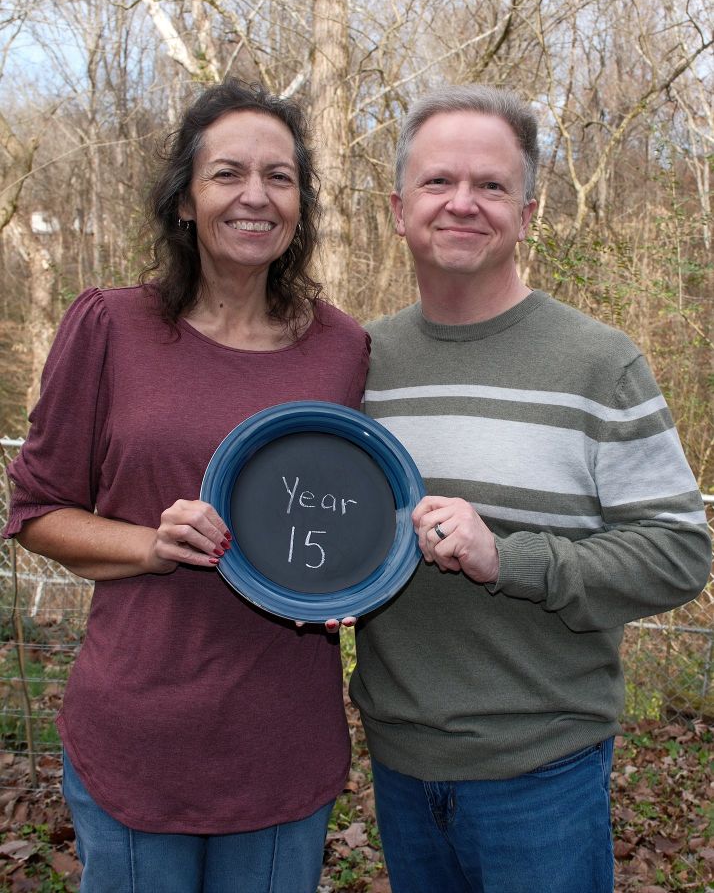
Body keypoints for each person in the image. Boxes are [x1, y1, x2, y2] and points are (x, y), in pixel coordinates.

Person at [3, 79, 370, 893]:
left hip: (283, 741)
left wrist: (356, 575)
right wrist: (149, 543)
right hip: (139, 738)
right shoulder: (109, 325)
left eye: (281, 177)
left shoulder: (342, 347)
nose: (256, 196)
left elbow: (349, 514)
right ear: (184, 201)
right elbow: (35, 512)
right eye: (228, 173)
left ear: (301, 204)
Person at [349, 84, 712, 893]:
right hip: (401, 762)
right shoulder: (355, 362)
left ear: (530, 209)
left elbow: (681, 551)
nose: (463, 204)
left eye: (492, 185)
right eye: (438, 182)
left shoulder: (597, 363)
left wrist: (509, 559)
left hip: (542, 771)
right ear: (397, 206)